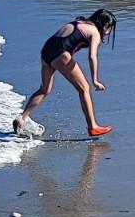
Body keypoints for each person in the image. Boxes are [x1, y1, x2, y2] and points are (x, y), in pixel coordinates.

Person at [13, 10, 117, 139]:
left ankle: (22, 118)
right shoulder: (94, 31)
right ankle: (93, 127)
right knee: (84, 88)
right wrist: (95, 80)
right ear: (105, 25)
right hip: (60, 53)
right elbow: (92, 56)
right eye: (109, 29)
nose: (108, 33)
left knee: (44, 89)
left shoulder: (79, 22)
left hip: (46, 51)